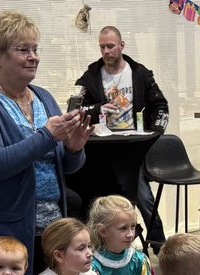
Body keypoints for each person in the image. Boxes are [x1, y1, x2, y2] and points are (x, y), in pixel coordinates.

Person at [0, 11, 91, 275]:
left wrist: (74, 149)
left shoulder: (43, 97)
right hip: (3, 231)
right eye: (23, 50)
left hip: (50, 229)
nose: (34, 57)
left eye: (35, 49)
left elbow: (66, 167)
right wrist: (47, 136)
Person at [74, 26, 170, 245]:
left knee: (143, 197)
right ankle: (106, 245)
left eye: (110, 46)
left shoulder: (139, 73)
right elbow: (77, 108)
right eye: (102, 47)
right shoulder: (91, 75)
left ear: (121, 46)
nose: (106, 51)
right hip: (103, 148)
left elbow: (160, 105)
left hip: (135, 146)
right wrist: (98, 108)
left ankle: (158, 245)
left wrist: (154, 133)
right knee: (105, 201)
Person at [89, 195, 157, 275]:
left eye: (132, 227)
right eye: (123, 228)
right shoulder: (92, 265)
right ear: (103, 231)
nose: (131, 234)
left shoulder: (139, 260)